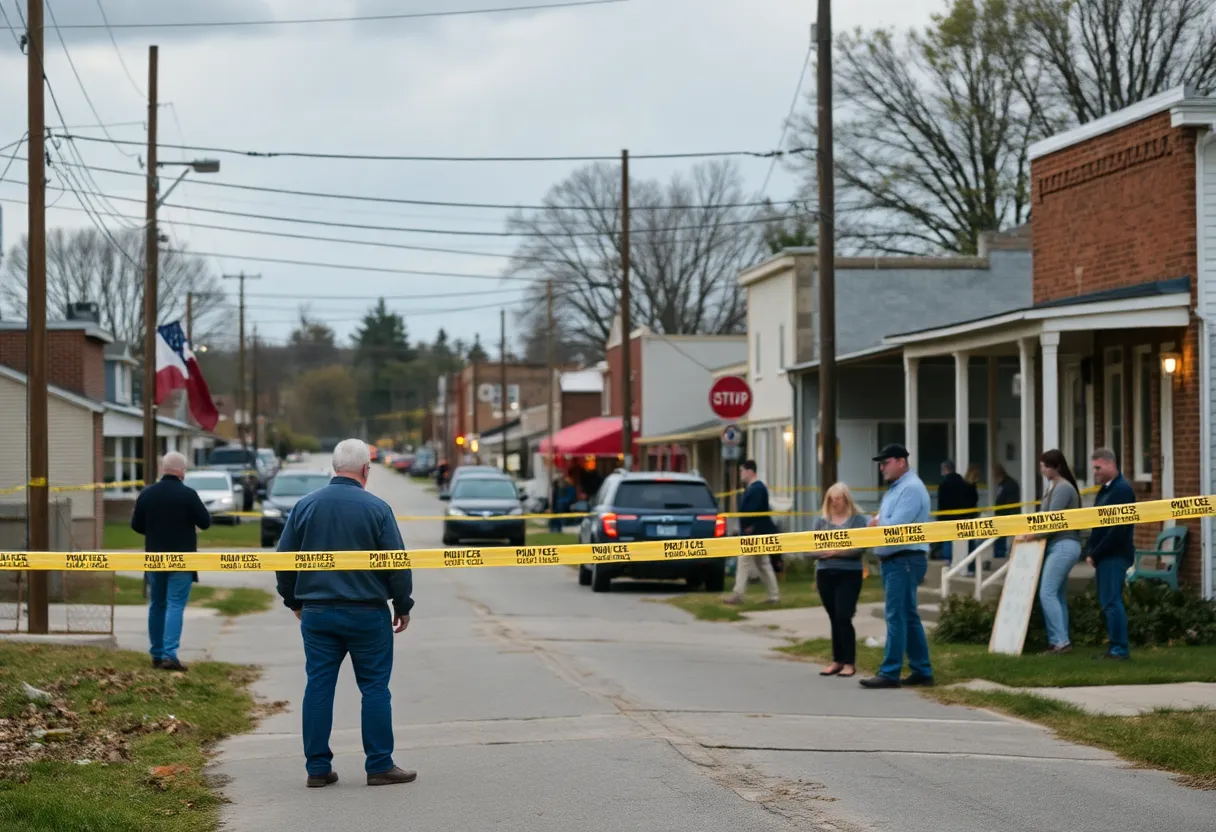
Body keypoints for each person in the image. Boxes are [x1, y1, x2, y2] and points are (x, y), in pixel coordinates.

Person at [275, 438, 417, 788]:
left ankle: (318, 768)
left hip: (318, 613)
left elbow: (283, 559)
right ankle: (380, 765)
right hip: (367, 613)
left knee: (319, 685)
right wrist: (402, 605)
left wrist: (293, 601)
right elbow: (396, 563)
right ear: (366, 469)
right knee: (374, 688)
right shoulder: (377, 509)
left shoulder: (304, 507)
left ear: (333, 468)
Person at [860, 443, 934, 689]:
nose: (882, 468)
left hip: (905, 559)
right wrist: (877, 522)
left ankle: (890, 672)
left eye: (885, 462)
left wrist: (877, 523)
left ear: (901, 461)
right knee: (908, 616)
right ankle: (922, 670)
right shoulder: (896, 489)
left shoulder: (911, 489)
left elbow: (893, 528)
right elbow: (881, 520)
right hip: (897, 560)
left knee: (896, 616)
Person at [130, 451, 211, 672]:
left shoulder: (147, 494)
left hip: (154, 557)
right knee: (175, 604)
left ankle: (156, 654)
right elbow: (205, 522)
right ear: (182, 471)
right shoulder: (188, 495)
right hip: (182, 559)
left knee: (157, 604)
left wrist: (154, 529)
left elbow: (136, 525)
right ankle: (170, 654)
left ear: (162, 469)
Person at [1016, 450, 1082, 653]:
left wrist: (1032, 536)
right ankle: (1060, 640)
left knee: (1047, 592)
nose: (1042, 470)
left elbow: (1052, 522)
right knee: (1057, 595)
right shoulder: (1054, 487)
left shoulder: (1062, 488)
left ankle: (1060, 642)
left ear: (1056, 467)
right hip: (1059, 545)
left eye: (1045, 466)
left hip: (1063, 545)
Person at [812, 483, 869, 678]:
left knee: (844, 615)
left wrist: (836, 552)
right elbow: (808, 549)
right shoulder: (822, 522)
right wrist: (822, 553)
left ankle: (849, 662)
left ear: (846, 499)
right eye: (831, 499)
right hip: (825, 573)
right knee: (834, 616)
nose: (835, 502)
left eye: (838, 498)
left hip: (849, 573)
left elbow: (858, 549)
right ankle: (837, 660)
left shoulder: (858, 520)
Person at [1086, 448, 1136, 660]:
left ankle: (1119, 649)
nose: (1095, 472)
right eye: (1094, 468)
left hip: (1114, 554)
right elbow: (1098, 525)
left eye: (1098, 467)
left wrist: (1095, 553)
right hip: (1105, 554)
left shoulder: (1121, 490)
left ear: (1111, 465)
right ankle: (1115, 647)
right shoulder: (1106, 490)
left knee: (1112, 601)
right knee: (1108, 601)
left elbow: (1118, 530)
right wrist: (1090, 550)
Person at [723, 460, 781, 606]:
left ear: (750, 471)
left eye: (742, 470)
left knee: (744, 561)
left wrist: (749, 528)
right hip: (755, 532)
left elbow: (753, 511)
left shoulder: (757, 489)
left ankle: (738, 594)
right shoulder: (753, 488)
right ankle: (774, 595)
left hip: (754, 533)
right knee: (762, 563)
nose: (741, 474)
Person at [935, 460, 969, 563]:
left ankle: (948, 560)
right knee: (960, 540)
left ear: (945, 469)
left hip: (947, 515)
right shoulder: (962, 482)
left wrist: (939, 517)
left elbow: (942, 502)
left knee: (948, 539)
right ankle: (960, 559)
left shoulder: (944, 484)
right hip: (962, 514)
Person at [992, 466, 1021, 560]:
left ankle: (1001, 554)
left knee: (1004, 537)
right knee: (1000, 537)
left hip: (1007, 514)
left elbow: (1010, 501)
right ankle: (1000, 553)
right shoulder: (1003, 485)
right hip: (1001, 514)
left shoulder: (1009, 485)